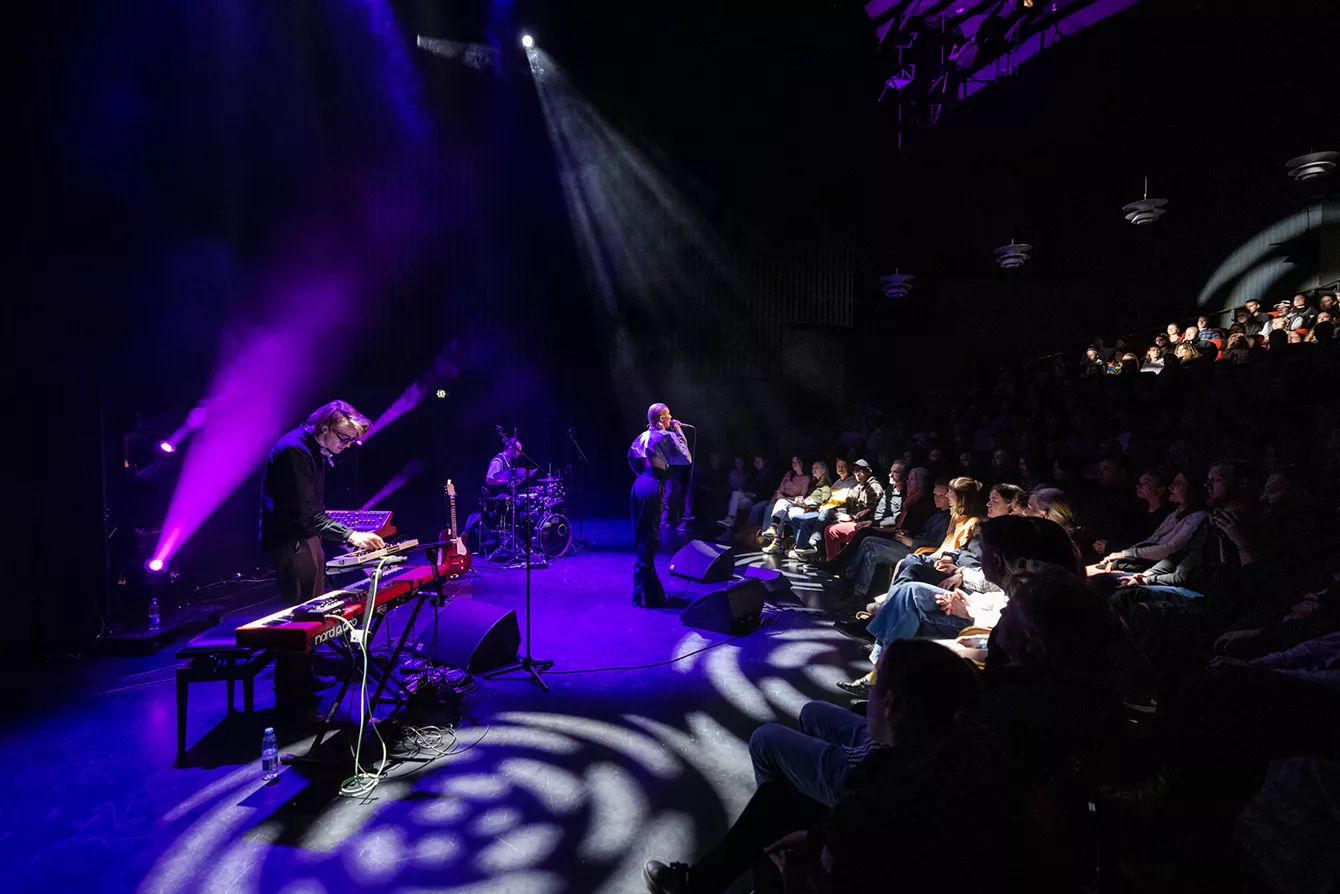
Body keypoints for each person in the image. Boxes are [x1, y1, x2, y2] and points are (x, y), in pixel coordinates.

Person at [641, 639, 985, 894]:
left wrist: (804, 864)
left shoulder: (877, 790)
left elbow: (847, 867)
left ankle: (754, 862)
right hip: (888, 751)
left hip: (866, 766)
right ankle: (768, 831)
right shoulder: (942, 758)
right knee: (813, 713)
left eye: (876, 683)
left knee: (766, 745)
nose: (869, 689)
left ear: (890, 705)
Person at [260, 400, 384, 719]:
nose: (347, 445)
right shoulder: (293, 450)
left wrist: (341, 537)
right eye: (344, 438)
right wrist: (351, 536)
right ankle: (291, 699)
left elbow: (314, 509)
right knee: (299, 619)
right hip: (291, 540)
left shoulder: (313, 449)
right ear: (325, 426)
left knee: (313, 612)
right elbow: (306, 514)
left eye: (351, 441)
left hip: (306, 537)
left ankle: (305, 677)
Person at [628, 403, 692, 607]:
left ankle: (648, 593)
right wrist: (678, 430)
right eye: (668, 415)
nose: (671, 418)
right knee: (650, 539)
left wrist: (643, 475)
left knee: (642, 536)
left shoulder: (643, 436)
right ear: (659, 419)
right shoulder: (664, 436)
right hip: (652, 486)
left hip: (640, 484)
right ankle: (642, 596)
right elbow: (686, 457)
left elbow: (631, 458)